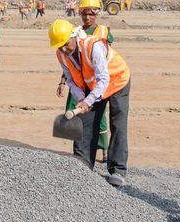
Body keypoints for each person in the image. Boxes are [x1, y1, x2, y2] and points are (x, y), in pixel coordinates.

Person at [49, 19, 131, 187]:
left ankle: (117, 170)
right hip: (92, 85)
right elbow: (71, 80)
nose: (64, 49)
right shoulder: (61, 54)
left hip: (117, 81)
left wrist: (89, 100)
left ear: (74, 37)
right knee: (85, 124)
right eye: (59, 46)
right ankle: (82, 165)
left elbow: (104, 79)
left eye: (66, 44)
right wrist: (81, 99)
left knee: (118, 123)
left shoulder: (93, 46)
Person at [56, 0, 113, 162]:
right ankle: (80, 152)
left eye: (91, 14)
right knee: (77, 114)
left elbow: (105, 60)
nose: (87, 18)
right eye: (84, 14)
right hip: (78, 83)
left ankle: (104, 150)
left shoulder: (103, 32)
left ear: (96, 14)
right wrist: (63, 81)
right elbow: (68, 60)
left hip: (96, 83)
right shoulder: (74, 32)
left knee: (99, 118)